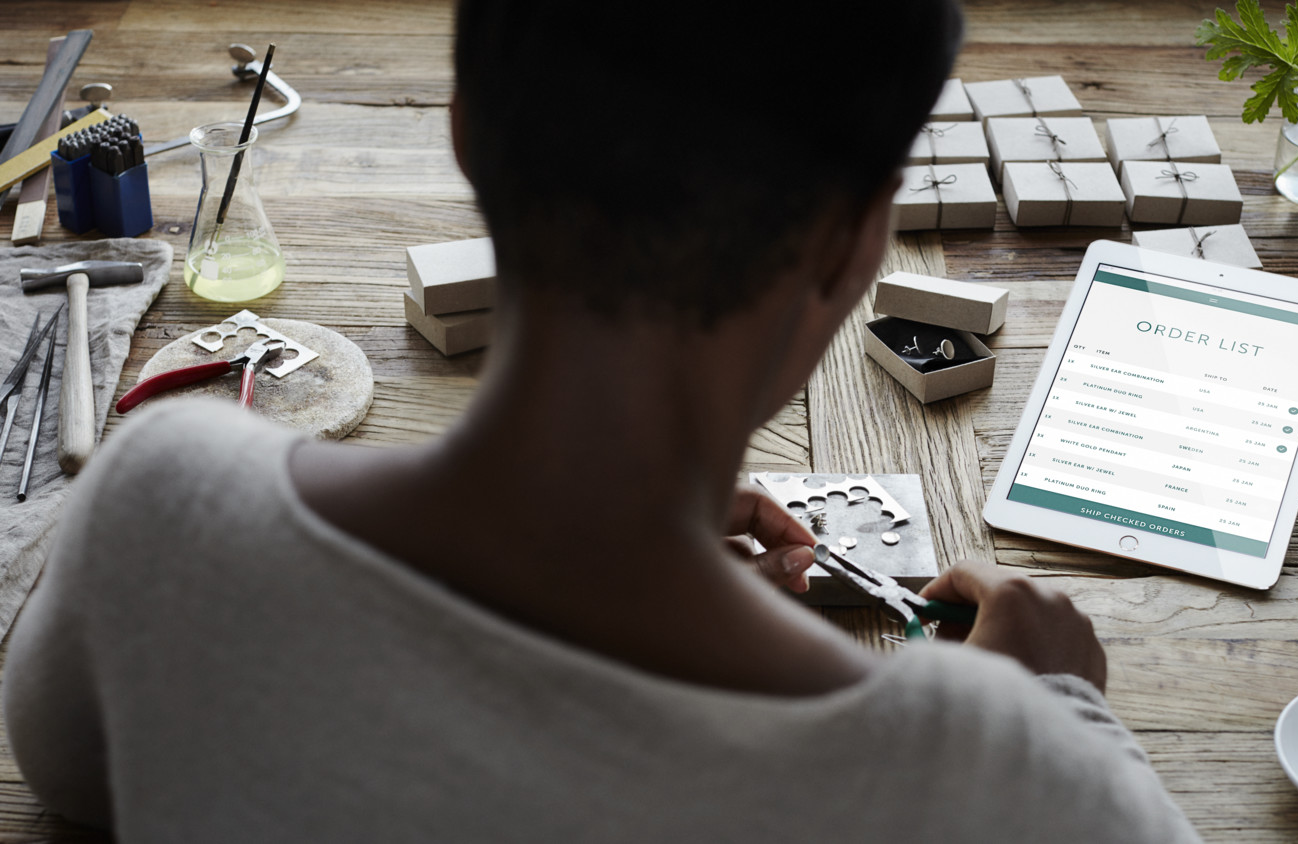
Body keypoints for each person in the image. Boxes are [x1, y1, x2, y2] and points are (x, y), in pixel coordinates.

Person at [4, 1, 1200, 841]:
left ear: (469, 134)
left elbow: (72, 777)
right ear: (854, 239)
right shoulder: (1015, 777)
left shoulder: (161, 502)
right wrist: (1061, 715)